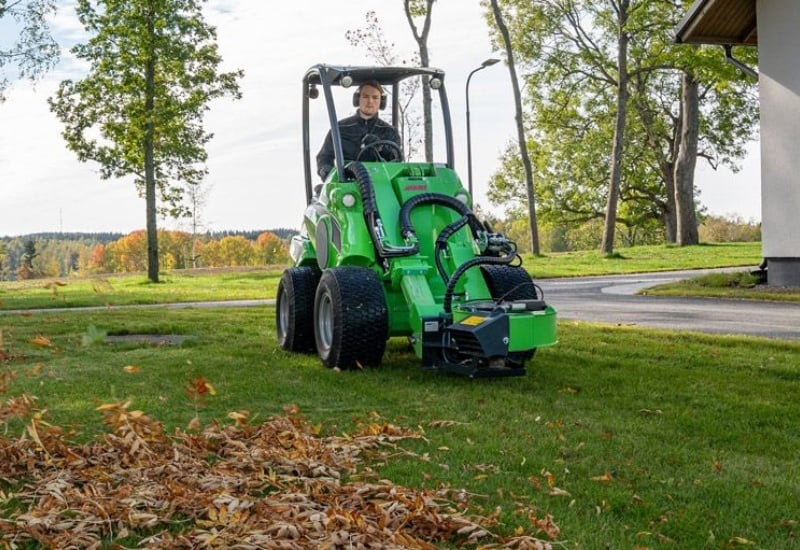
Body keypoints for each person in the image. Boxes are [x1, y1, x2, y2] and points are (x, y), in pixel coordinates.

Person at [316, 80, 403, 180]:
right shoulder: (340, 129)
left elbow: (397, 160)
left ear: (381, 102)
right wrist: (326, 171)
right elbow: (324, 157)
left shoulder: (389, 132)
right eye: (365, 97)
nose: (370, 101)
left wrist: (381, 147)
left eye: (375, 97)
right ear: (357, 99)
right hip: (347, 184)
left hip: (381, 182)